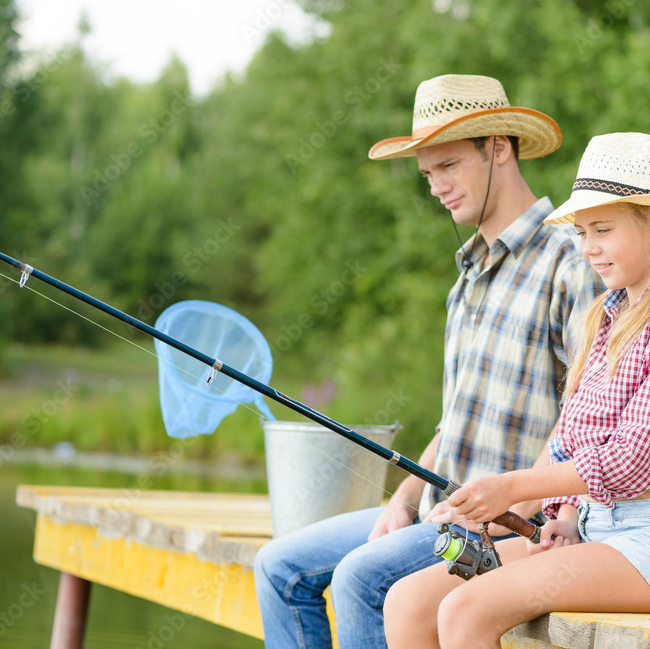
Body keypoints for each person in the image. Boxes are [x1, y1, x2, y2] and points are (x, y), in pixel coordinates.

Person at [253, 74, 600, 648]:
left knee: (362, 579)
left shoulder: (570, 259)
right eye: (427, 173)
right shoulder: (466, 278)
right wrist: (405, 495)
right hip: (436, 513)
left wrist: (512, 502)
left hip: (504, 529)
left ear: (499, 148)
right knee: (278, 567)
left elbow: (584, 416)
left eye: (449, 166)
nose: (436, 186)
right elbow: (455, 418)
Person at [383, 132, 650, 649]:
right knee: (409, 603)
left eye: (602, 229)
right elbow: (575, 435)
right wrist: (566, 514)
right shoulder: (605, 315)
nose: (588, 247)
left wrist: (512, 488)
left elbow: (633, 460)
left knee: (465, 609)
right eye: (581, 231)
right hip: (595, 530)